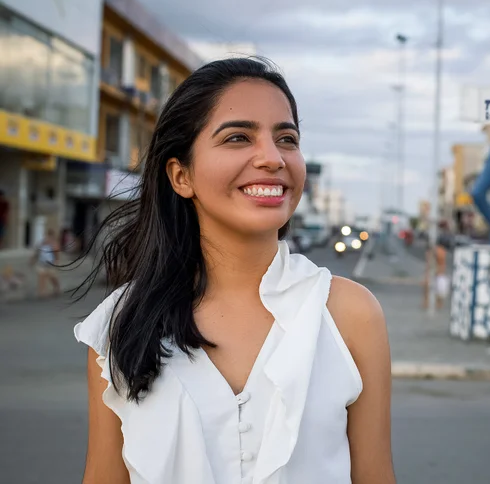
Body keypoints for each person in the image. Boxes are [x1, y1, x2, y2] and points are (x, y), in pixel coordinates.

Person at [72, 58, 395, 484]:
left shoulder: (350, 315)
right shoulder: (119, 324)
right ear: (181, 175)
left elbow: (375, 475)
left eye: (287, 138)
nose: (272, 158)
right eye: (239, 137)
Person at [31, 228, 61, 298]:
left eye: (51, 236)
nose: (49, 238)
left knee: (53, 277)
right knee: (41, 277)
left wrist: (56, 261)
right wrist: (32, 260)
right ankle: (41, 292)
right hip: (42, 263)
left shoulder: (54, 244)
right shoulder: (41, 243)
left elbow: (56, 253)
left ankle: (57, 288)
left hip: (50, 263)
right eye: (48, 236)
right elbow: (37, 252)